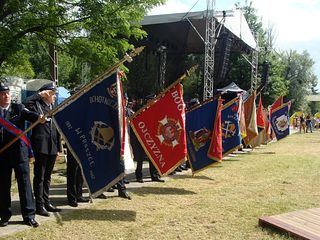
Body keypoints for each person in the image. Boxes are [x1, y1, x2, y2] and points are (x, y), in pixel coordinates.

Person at [0, 82, 41, 227]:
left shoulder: (17, 108)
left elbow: (30, 115)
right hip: (2, 154)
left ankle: (29, 215)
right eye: (3, 94)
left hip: (19, 153)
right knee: (3, 185)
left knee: (24, 184)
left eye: (8, 93)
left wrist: (38, 117)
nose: (7, 96)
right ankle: (4, 215)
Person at [25, 82, 62, 217]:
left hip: (52, 146)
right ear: (46, 94)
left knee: (47, 177)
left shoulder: (53, 107)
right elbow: (26, 103)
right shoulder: (36, 105)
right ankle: (39, 205)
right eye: (52, 93)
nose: (54, 96)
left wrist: (58, 147)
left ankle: (47, 202)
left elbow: (56, 129)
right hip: (41, 146)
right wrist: (38, 95)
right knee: (39, 177)